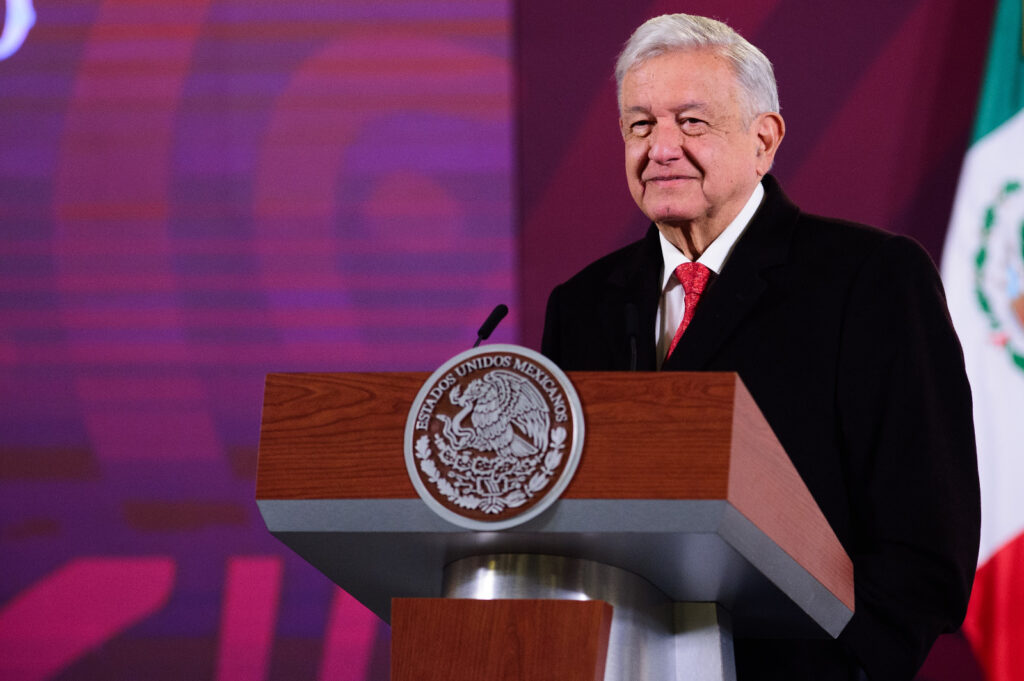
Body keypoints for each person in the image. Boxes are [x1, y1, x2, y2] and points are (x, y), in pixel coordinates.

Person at [541, 13, 980, 681]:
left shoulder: (870, 278)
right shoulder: (582, 304)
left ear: (764, 139)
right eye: (640, 125)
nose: (661, 148)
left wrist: (852, 662)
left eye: (691, 122)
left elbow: (927, 532)